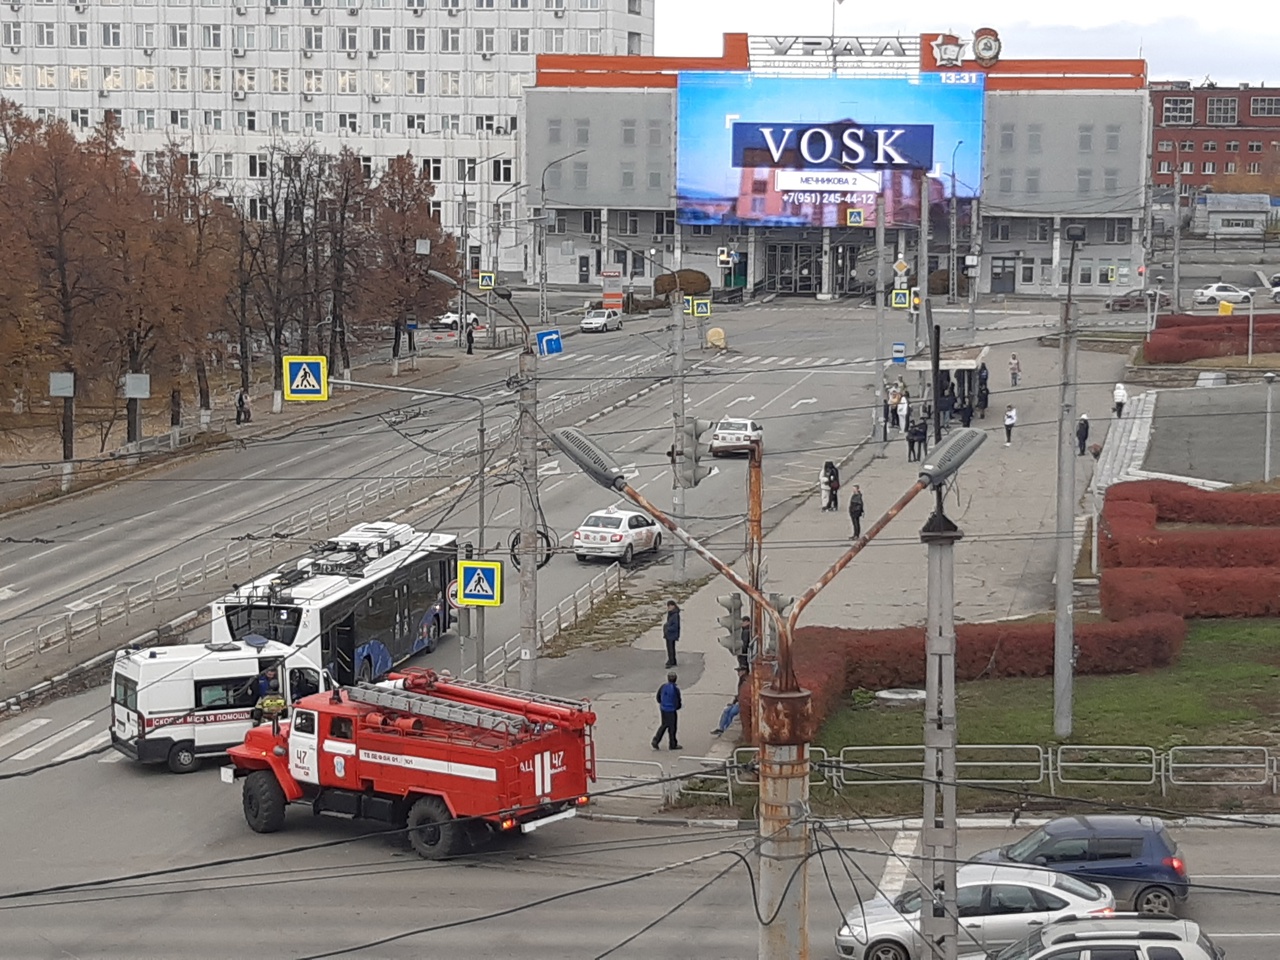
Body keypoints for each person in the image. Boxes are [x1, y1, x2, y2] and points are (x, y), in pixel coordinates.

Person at [711, 667, 751, 737]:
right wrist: (733, 702)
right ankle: (721, 728)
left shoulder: (745, 681)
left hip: (743, 702)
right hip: (739, 701)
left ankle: (726, 728)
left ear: (744, 671)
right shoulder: (742, 680)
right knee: (726, 710)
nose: (738, 673)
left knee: (732, 712)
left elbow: (743, 694)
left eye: (739, 671)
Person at [651, 672, 682, 751]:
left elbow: (658, 696)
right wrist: (677, 707)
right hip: (671, 710)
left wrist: (662, 704)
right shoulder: (675, 689)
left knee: (664, 725)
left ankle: (656, 740)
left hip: (663, 709)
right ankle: (672, 744)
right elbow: (677, 700)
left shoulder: (663, 686)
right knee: (672, 728)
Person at [662, 600, 680, 668]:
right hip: (670, 634)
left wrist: (668, 628)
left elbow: (675, 625)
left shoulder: (675, 615)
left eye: (670, 606)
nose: (668, 607)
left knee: (670, 648)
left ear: (673, 606)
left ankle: (671, 661)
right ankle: (673, 660)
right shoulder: (671, 613)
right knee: (671, 648)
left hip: (671, 634)